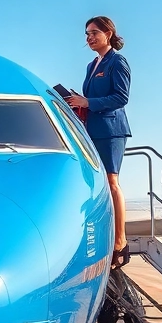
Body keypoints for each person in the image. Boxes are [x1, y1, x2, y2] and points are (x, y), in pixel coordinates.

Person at [62, 16, 132, 266]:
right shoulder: (92, 65)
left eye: (94, 33)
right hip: (91, 129)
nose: (89, 38)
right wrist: (77, 100)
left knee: (112, 181)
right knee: (96, 182)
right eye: (86, 34)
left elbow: (121, 97)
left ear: (108, 33)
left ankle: (120, 241)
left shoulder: (118, 62)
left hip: (112, 129)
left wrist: (88, 103)